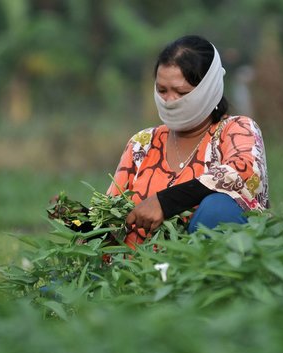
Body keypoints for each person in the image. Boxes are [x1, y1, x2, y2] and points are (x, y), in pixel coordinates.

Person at [108, 35, 269, 246]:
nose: (169, 101)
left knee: (218, 209)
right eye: (162, 90)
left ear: (208, 88)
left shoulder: (236, 129)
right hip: (142, 270)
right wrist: (75, 219)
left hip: (211, 266)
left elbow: (242, 173)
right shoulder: (142, 143)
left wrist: (164, 202)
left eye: (181, 92)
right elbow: (112, 216)